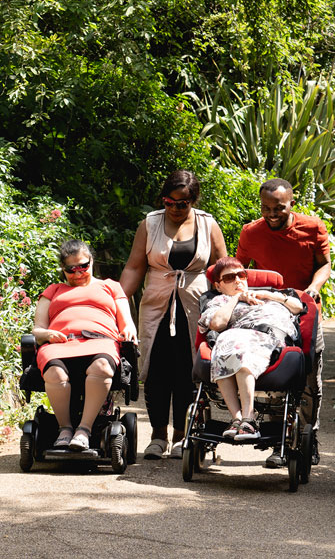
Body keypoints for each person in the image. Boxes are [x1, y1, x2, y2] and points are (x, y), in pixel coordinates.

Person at [119, 170, 227, 460]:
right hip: (156, 305)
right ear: (163, 199)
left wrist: (231, 303)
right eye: (170, 202)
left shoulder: (207, 224)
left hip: (194, 307)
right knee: (155, 370)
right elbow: (134, 267)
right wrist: (116, 300)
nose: (176, 209)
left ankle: (182, 434)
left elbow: (222, 268)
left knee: (188, 371)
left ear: (193, 201)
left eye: (183, 204)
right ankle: (157, 435)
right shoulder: (150, 223)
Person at [236, 178, 329, 467]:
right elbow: (240, 271)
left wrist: (314, 287)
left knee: (308, 376)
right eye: (266, 208)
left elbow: (324, 265)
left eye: (279, 207)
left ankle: (307, 436)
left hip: (305, 311)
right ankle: (280, 442)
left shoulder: (312, 227)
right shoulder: (251, 232)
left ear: (292, 202)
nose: (272, 213)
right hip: (270, 316)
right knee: (276, 373)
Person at [32, 240, 138, 451]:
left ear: (91, 261)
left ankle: (84, 430)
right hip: (61, 342)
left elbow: (127, 322)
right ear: (63, 269)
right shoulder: (53, 290)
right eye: (72, 269)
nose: (78, 272)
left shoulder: (110, 286)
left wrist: (128, 331)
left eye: (83, 266)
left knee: (101, 367)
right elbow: (38, 329)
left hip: (100, 341)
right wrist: (47, 334)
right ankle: (65, 429)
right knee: (54, 373)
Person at [197, 257, 305, 439]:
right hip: (234, 338)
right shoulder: (218, 301)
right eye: (230, 278)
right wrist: (236, 298)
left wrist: (269, 295)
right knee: (231, 345)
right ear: (218, 286)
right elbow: (217, 323)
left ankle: (248, 419)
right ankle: (239, 420)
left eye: (241, 275)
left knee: (240, 347)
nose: (238, 280)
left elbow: (299, 307)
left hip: (269, 338)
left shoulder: (272, 295)